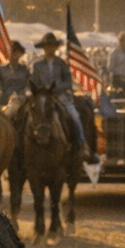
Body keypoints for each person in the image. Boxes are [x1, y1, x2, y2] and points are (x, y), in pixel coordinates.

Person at [29, 32, 97, 163]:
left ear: (56, 48)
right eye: (47, 46)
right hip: (42, 97)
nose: (49, 49)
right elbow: (33, 81)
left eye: (52, 46)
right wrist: (40, 89)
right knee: (26, 114)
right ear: (44, 48)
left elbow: (68, 82)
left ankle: (83, 145)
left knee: (75, 115)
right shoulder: (37, 65)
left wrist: (57, 87)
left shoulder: (62, 64)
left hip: (59, 96)